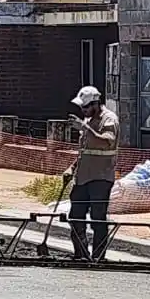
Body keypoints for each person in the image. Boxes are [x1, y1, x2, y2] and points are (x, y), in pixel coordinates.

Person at [63, 85, 120, 261]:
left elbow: (107, 142)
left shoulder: (109, 119)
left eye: (85, 107)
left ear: (96, 104)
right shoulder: (87, 121)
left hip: (101, 178)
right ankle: (81, 254)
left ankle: (98, 257)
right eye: (81, 108)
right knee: (75, 216)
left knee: (98, 218)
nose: (83, 110)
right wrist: (71, 168)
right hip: (82, 177)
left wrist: (85, 128)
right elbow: (84, 151)